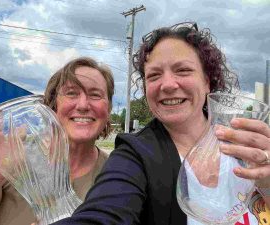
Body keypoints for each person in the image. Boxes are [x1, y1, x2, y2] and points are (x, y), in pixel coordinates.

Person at [50, 22, 270, 225]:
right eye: (154, 76)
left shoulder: (247, 148)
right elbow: (103, 214)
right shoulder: (135, 154)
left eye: (183, 70)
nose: (167, 84)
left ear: (207, 81)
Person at [0, 56, 114, 225]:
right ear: (54, 105)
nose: (83, 105)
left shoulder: (117, 173)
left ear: (109, 108)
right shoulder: (4, 153)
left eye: (95, 95)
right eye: (71, 93)